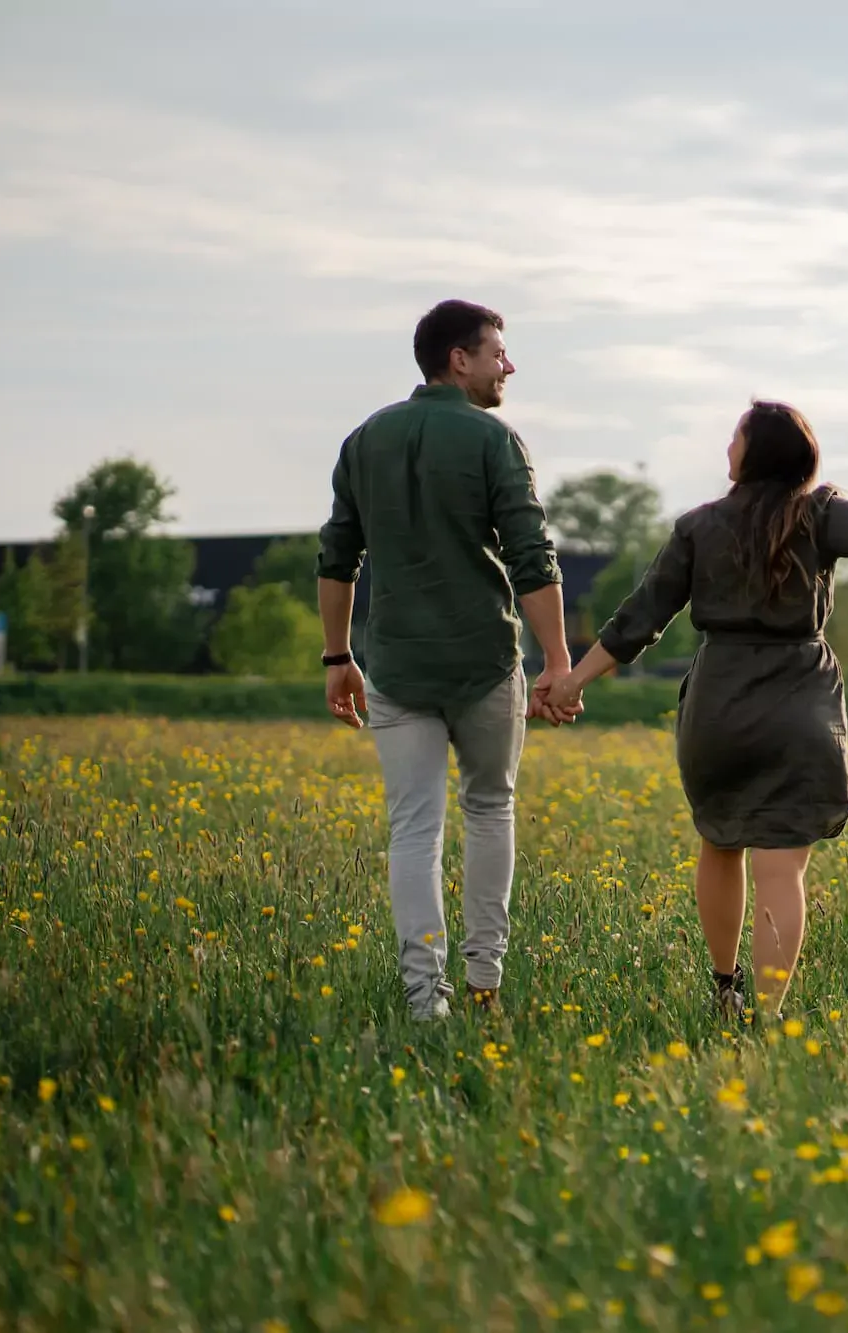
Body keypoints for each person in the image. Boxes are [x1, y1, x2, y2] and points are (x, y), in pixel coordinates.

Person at [540, 401, 848, 1021]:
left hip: (719, 706)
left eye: (735, 437)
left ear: (757, 452)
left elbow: (638, 620)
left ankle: (724, 989)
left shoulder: (698, 527)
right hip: (798, 707)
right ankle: (769, 1013)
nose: (727, 446)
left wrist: (572, 681)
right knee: (782, 871)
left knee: (719, 845)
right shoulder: (820, 517)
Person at [316, 299, 580, 1023]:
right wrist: (559, 660)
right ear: (458, 359)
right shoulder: (494, 439)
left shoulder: (363, 439)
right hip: (485, 659)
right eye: (498, 351)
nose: (509, 365)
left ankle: (422, 998)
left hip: (395, 663)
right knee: (491, 806)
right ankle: (483, 980)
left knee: (413, 828)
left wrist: (338, 654)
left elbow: (338, 557)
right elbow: (532, 555)